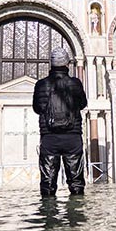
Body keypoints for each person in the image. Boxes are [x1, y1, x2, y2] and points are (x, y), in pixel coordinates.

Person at [33, 47, 88, 196]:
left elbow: (37, 108)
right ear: (67, 64)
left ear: (51, 64)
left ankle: (49, 216)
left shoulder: (41, 84)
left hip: (49, 137)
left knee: (48, 183)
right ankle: (76, 215)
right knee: (76, 182)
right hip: (72, 137)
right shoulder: (75, 83)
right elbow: (83, 104)